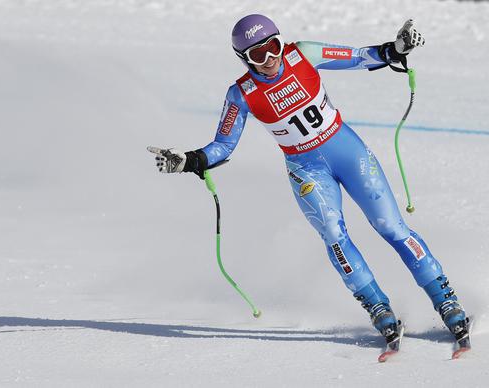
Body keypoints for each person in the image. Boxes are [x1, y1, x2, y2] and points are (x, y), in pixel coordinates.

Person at [147, 14, 469, 348]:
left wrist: (395, 49)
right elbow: (224, 145)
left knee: (391, 225)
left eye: (273, 47)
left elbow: (359, 57)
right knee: (333, 233)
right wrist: (189, 160)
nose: (270, 59)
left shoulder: (303, 54)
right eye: (258, 55)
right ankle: (377, 306)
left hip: (346, 150)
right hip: (306, 169)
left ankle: (444, 297)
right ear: (244, 58)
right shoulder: (241, 94)